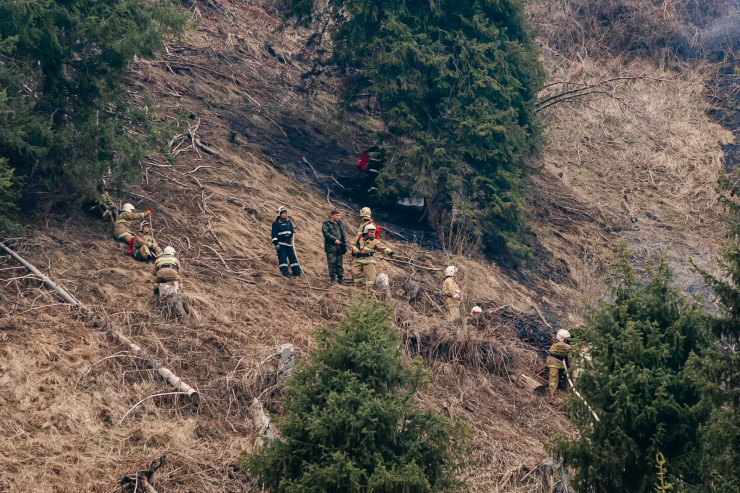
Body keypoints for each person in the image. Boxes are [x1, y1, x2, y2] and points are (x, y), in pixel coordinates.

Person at [351, 223, 394, 290]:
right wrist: (356, 250)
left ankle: (369, 290)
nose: (372, 234)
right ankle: (359, 287)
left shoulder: (375, 241)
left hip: (369, 260)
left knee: (371, 277)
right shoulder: (359, 238)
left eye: (373, 232)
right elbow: (352, 244)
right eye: (371, 232)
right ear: (366, 231)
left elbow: (382, 247)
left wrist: (390, 252)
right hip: (359, 259)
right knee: (355, 273)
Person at [271, 206, 301, 278]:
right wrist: (276, 244)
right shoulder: (276, 224)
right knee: (283, 260)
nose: (284, 215)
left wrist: (292, 231)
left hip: (289, 244)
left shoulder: (289, 222)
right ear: (279, 214)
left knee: (293, 259)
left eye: (285, 213)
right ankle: (285, 274)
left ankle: (296, 274)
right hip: (281, 245)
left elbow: (291, 230)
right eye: (282, 213)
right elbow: (274, 235)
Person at [321, 209, 347, 285]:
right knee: (331, 263)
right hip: (331, 247)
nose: (338, 217)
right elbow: (326, 234)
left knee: (339, 263)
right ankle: (333, 279)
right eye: (337, 215)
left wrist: (345, 244)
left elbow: (343, 234)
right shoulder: (326, 224)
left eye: (339, 215)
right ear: (332, 215)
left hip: (339, 247)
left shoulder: (339, 224)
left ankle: (340, 279)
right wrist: (334, 239)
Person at [547, 329, 572, 397]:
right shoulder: (560, 344)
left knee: (561, 376)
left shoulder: (559, 342)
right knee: (553, 377)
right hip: (553, 361)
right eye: (566, 339)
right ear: (562, 338)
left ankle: (559, 389)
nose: (567, 340)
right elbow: (571, 348)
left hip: (559, 362)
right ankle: (552, 393)